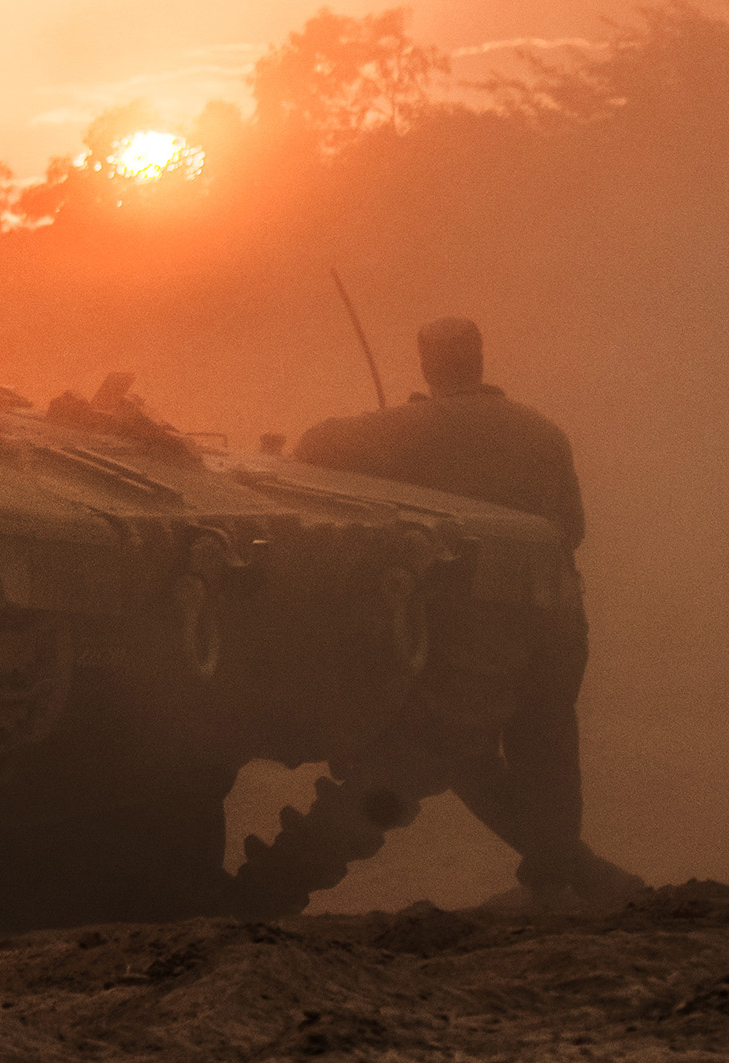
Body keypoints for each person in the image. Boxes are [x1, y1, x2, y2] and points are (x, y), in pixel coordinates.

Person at [236, 316, 640, 912]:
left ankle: (270, 890)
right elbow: (572, 527)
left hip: (481, 628)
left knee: (410, 761)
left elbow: (317, 445)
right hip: (559, 612)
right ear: (479, 357)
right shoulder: (543, 432)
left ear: (428, 363)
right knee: (540, 745)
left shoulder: (409, 429)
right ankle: (567, 879)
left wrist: (401, 423)